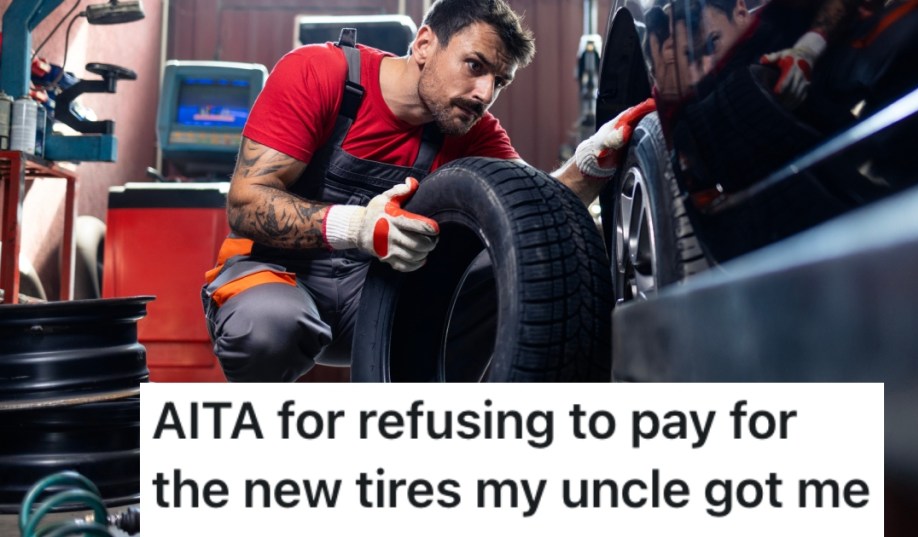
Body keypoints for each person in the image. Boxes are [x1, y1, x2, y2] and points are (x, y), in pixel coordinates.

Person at [201, 0, 653, 382]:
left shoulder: (472, 129)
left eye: (499, 81)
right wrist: (358, 227)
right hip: (276, 274)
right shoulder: (322, 73)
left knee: (515, 278)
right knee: (269, 329)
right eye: (475, 66)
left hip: (374, 292)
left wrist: (590, 164)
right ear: (423, 45)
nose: (483, 93)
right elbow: (246, 201)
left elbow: (531, 220)